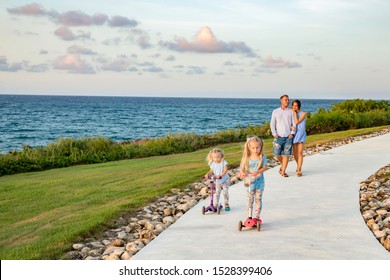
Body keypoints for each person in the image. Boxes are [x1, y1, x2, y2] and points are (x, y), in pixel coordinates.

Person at [239, 136, 267, 223]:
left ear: (260, 146)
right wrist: (242, 173)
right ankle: (249, 216)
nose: (255, 149)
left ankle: (257, 216)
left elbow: (264, 167)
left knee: (258, 199)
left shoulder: (262, 156)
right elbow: (241, 168)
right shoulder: (246, 157)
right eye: (253, 148)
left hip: (259, 182)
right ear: (249, 148)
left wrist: (258, 172)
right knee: (249, 200)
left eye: (257, 147)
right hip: (249, 182)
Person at [270, 94, 295, 177]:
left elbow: (294, 123)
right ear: (281, 100)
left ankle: (283, 171)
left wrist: (292, 134)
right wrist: (274, 134)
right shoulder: (275, 111)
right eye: (286, 100)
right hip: (278, 137)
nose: (287, 101)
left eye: (288, 100)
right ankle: (282, 166)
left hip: (288, 137)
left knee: (287, 155)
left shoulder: (291, 111)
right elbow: (272, 123)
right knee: (277, 154)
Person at [291, 100, 307, 177]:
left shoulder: (303, 113)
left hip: (301, 134)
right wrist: (291, 126)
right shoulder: (291, 113)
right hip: (294, 134)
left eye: (296, 105)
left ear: (299, 106)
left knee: (300, 153)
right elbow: (289, 122)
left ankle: (299, 169)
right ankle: (298, 166)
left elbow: (297, 122)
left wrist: (294, 113)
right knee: (295, 154)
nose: (294, 107)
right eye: (293, 105)